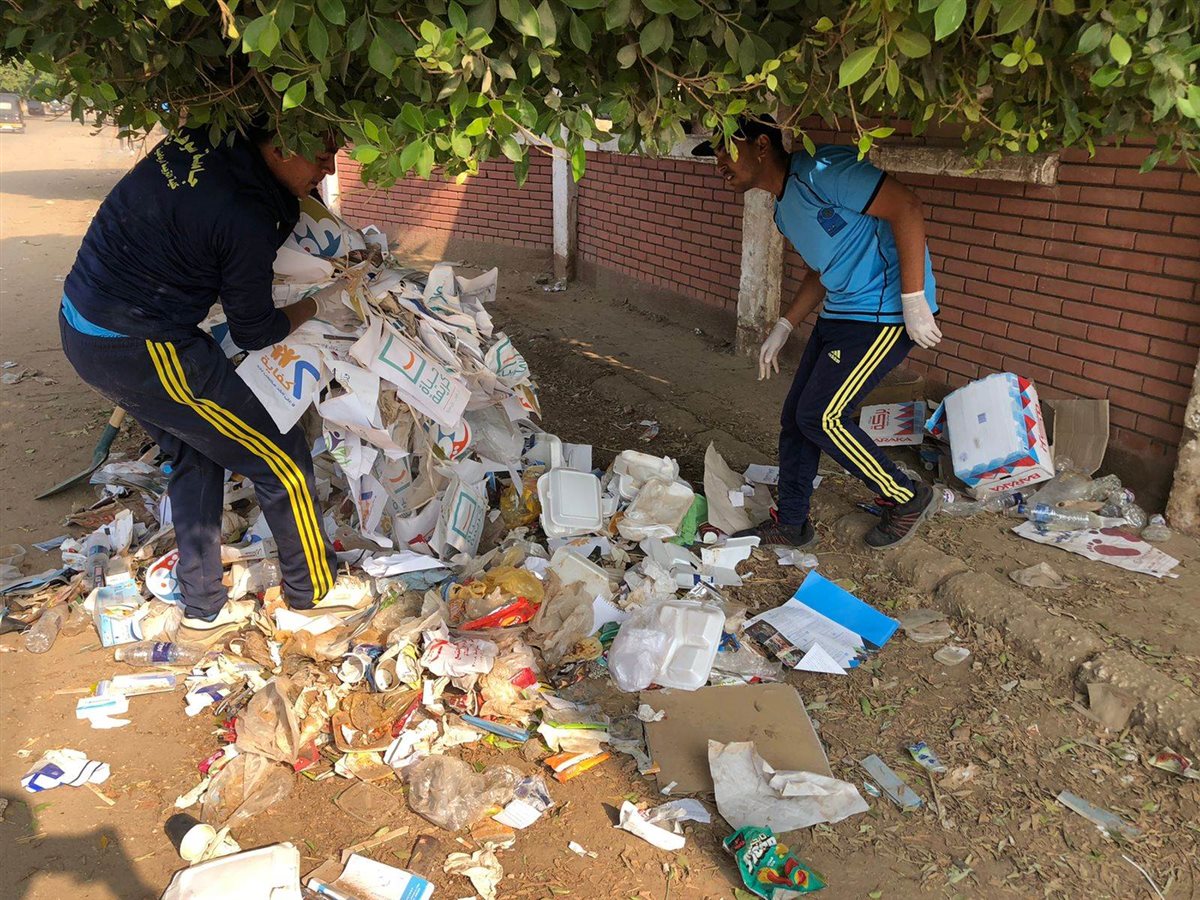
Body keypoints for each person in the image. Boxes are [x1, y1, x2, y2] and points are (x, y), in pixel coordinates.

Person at [60, 125, 358, 628]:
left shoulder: (205, 136)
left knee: (196, 450)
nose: (328, 169)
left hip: (83, 324)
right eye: (322, 154)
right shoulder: (246, 213)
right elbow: (255, 330)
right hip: (143, 347)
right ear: (283, 144)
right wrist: (319, 304)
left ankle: (202, 607)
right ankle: (314, 591)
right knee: (281, 457)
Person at [693, 117, 942, 549]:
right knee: (796, 418)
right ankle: (792, 522)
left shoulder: (823, 171)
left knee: (822, 416)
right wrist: (785, 325)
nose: (719, 164)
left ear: (762, 145)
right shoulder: (783, 210)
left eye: (724, 151)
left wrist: (914, 299)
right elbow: (820, 270)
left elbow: (906, 207)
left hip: (884, 315)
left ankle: (906, 496)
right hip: (841, 314)